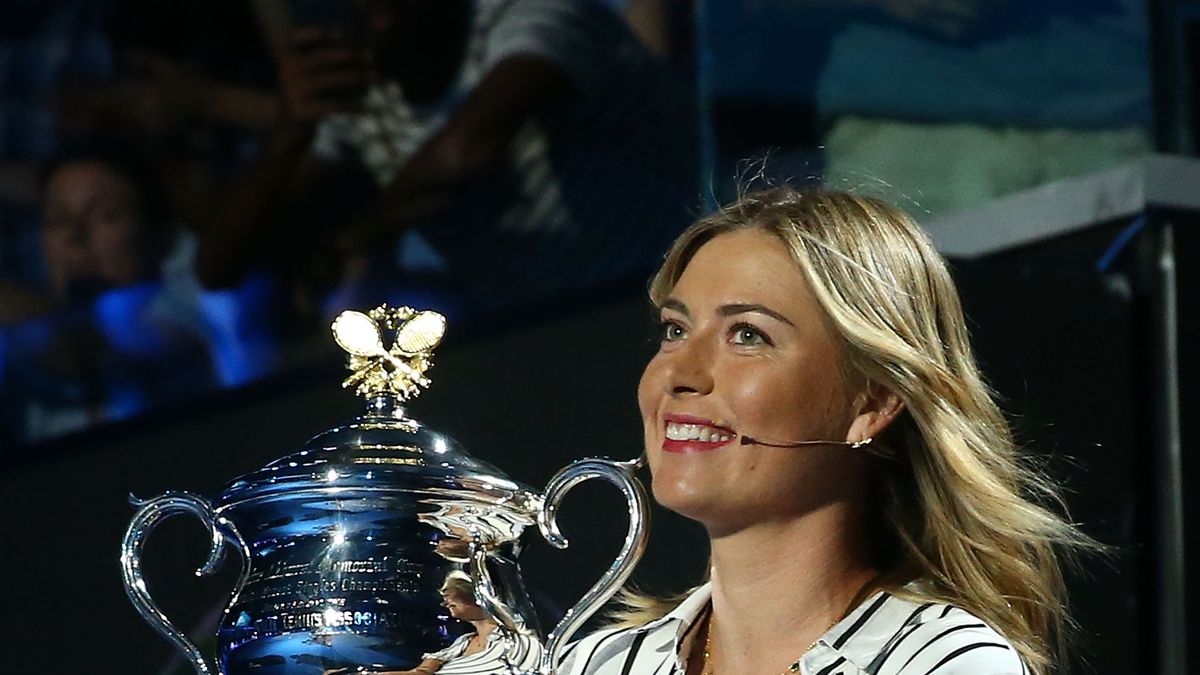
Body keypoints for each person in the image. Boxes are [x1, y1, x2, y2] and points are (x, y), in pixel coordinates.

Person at [558, 186, 1092, 674]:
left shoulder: (943, 659)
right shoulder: (599, 663)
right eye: (675, 330)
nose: (679, 374)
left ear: (874, 401)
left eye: (747, 335)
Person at [328, 573, 541, 675]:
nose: (444, 602)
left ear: (476, 598)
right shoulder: (462, 643)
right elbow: (419, 674)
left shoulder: (519, 644)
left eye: (449, 596)